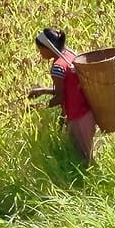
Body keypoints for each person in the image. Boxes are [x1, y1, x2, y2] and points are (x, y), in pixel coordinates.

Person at [30, 27, 96, 163]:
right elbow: (67, 89)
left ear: (48, 48)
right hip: (87, 109)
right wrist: (43, 90)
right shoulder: (69, 54)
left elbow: (60, 97)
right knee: (87, 154)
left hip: (77, 115)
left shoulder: (57, 67)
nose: (40, 53)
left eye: (40, 49)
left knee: (84, 159)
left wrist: (38, 107)